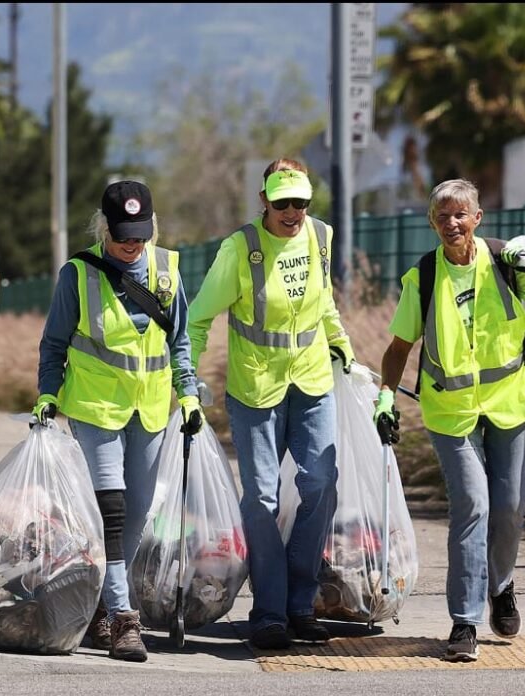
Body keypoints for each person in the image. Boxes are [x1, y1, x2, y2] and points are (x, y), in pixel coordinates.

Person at [375, 178, 525, 663]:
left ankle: (501, 585)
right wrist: (385, 396)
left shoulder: (506, 264)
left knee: (508, 505)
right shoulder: (423, 277)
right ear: (432, 223)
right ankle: (464, 620)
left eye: (460, 214)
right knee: (473, 506)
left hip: (513, 403)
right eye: (442, 216)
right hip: (451, 410)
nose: (452, 224)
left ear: (478, 218)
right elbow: (400, 347)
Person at [187, 158, 356, 651]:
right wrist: (187, 379)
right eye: (282, 202)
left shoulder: (320, 238)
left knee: (322, 483)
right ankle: (269, 613)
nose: (292, 212)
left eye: (300, 202)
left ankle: (301, 603)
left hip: (310, 379)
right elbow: (199, 318)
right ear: (264, 200)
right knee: (261, 498)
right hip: (256, 388)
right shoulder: (241, 249)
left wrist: (341, 343)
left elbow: (323, 304)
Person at [32, 180, 202, 662]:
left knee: (139, 512)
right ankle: (126, 620)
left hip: (149, 409)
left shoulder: (167, 270)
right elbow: (54, 343)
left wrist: (187, 394)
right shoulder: (78, 274)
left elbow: (180, 341)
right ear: (104, 227)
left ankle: (103, 609)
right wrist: (47, 393)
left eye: (141, 233)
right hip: (95, 408)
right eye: (124, 233)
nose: (133, 243)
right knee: (112, 509)